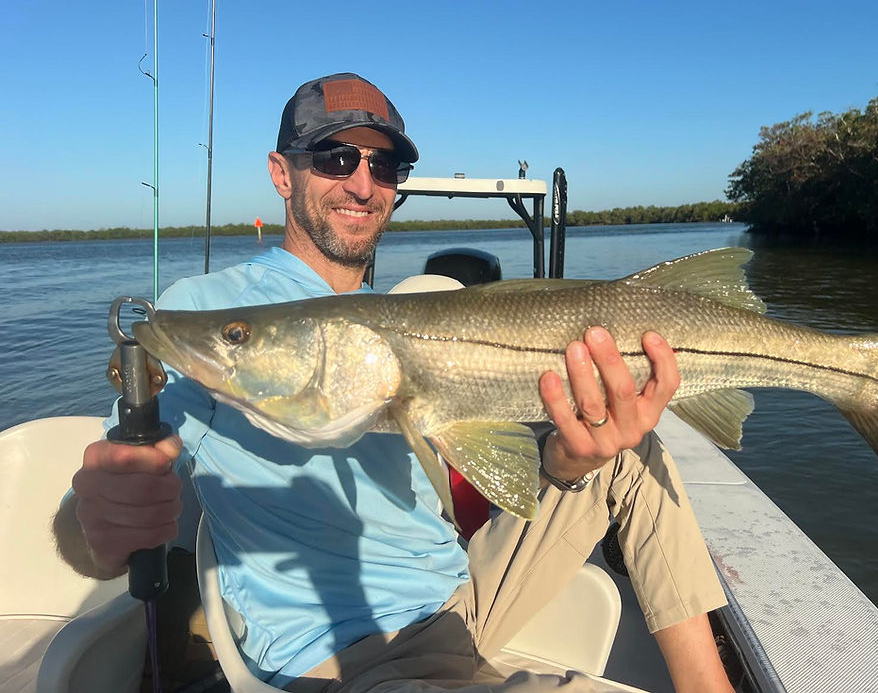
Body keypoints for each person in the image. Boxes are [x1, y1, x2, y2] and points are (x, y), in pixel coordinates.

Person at [53, 73, 734, 693]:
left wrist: (564, 459)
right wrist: (98, 522)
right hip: (352, 656)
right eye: (334, 157)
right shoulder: (207, 315)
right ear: (280, 174)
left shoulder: (394, 308)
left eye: (385, 164)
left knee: (632, 446)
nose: (361, 183)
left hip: (464, 595)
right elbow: (103, 517)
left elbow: (494, 458)